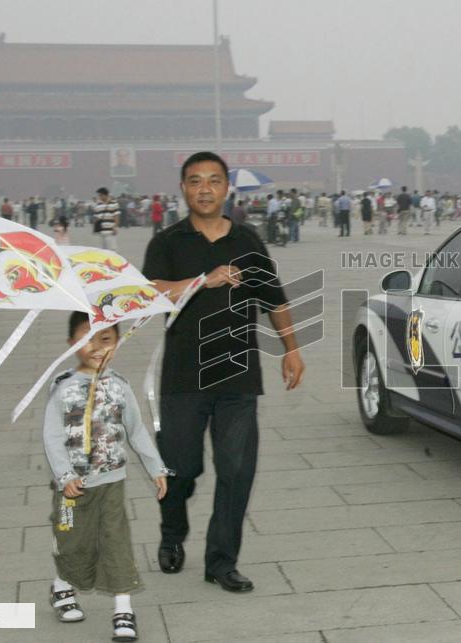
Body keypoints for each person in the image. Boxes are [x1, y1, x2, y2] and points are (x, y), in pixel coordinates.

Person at [142, 151, 305, 593]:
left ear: (226, 188)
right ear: (183, 188)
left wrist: (291, 349)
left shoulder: (248, 241)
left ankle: (221, 561)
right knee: (180, 469)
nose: (205, 189)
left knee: (237, 470)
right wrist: (202, 281)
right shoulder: (168, 242)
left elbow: (275, 299)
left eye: (214, 181)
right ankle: (172, 532)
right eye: (196, 181)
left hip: (238, 375)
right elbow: (149, 295)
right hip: (183, 377)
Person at [43, 312, 169, 642]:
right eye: (88, 339)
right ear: (72, 344)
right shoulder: (62, 386)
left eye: (106, 339)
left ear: (117, 343)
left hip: (111, 482)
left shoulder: (120, 386)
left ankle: (123, 609)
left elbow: (136, 431)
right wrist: (64, 475)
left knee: (116, 542)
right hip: (70, 490)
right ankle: (62, 586)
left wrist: (155, 467)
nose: (97, 347)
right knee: (72, 541)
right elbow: (52, 435)